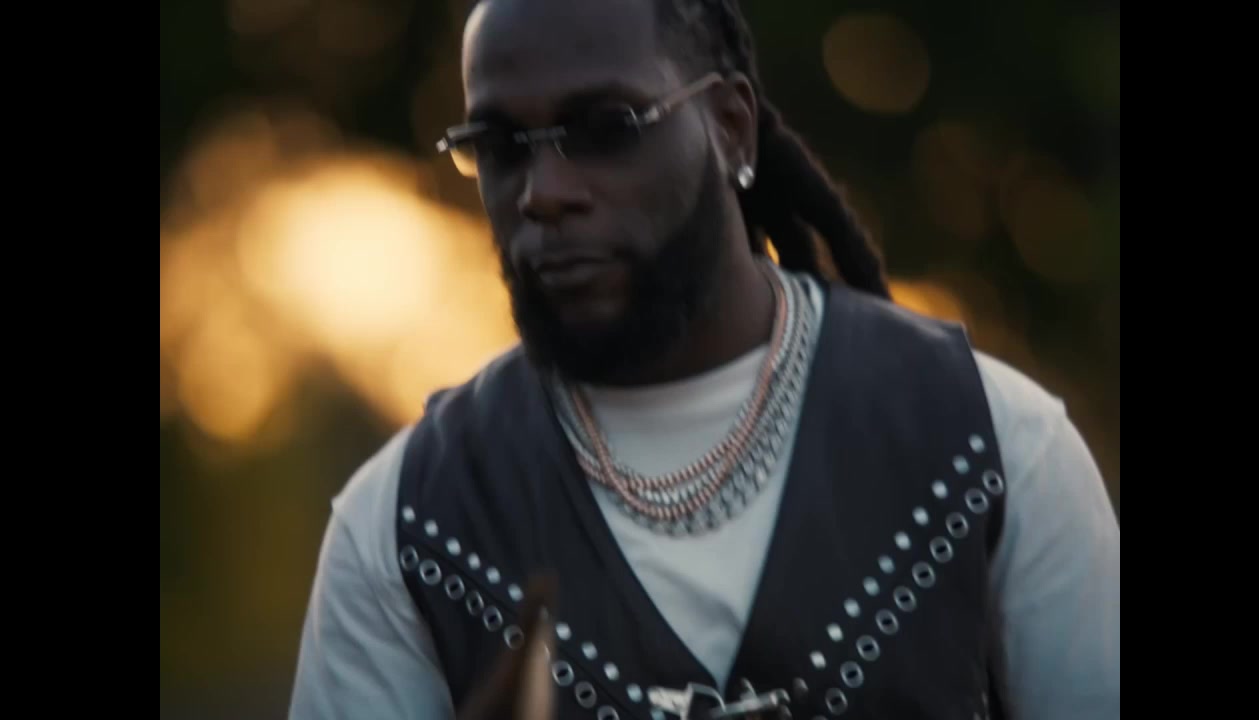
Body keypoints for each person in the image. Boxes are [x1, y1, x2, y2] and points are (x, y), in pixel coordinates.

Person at [287, 0, 1120, 718]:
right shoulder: (404, 523)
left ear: (730, 127)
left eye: (606, 130)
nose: (544, 192)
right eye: (501, 146)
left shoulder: (994, 445)